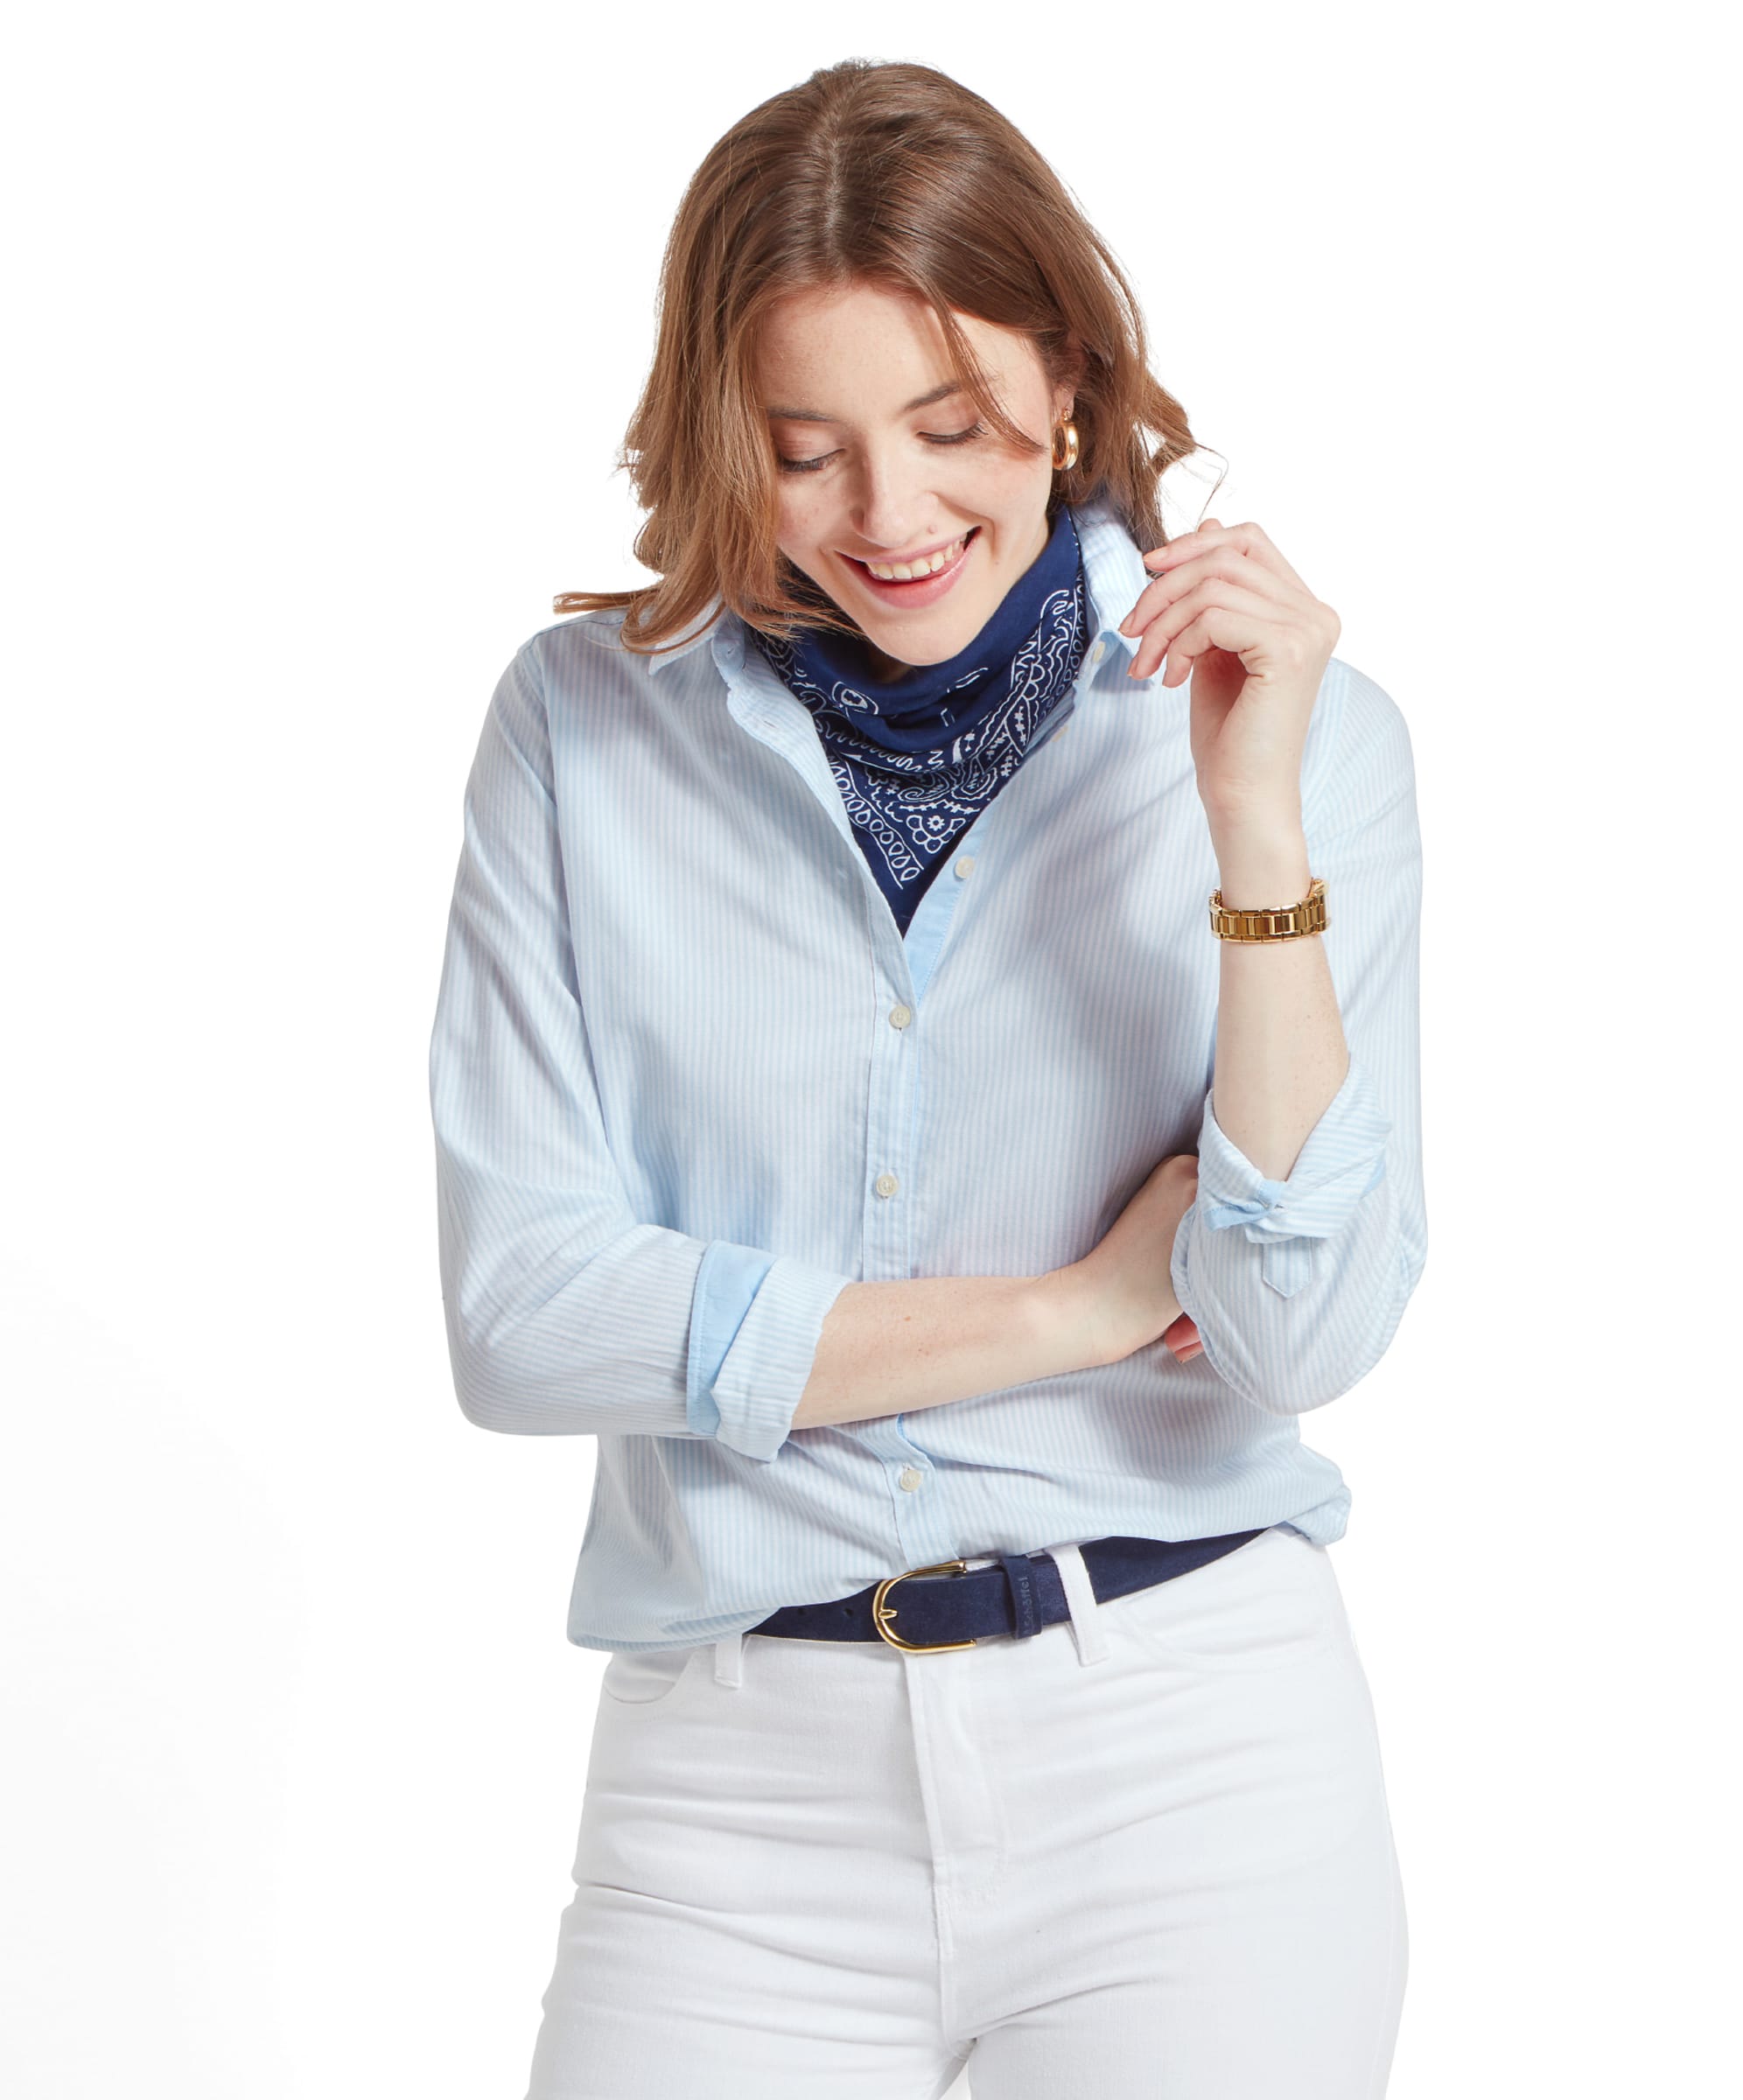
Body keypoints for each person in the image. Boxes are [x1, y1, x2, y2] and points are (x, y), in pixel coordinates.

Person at [427, 55, 1425, 2100]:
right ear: (724, 441)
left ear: (1066, 381)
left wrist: (1253, 834)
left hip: (1191, 1770)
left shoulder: (1303, 740)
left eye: (952, 428)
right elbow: (525, 1317)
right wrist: (1065, 1312)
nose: (890, 517)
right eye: (806, 450)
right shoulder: (578, 736)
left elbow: (1297, 1323)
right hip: (736, 1794)